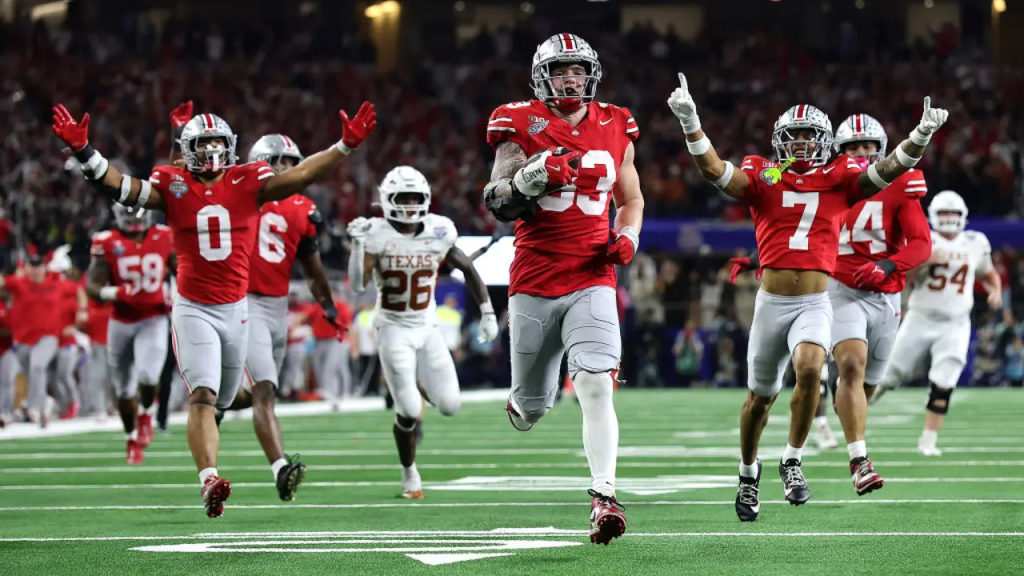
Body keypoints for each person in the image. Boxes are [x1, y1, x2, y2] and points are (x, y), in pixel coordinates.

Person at [51, 99, 376, 518]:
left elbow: (301, 175)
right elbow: (121, 186)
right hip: (194, 308)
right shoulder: (173, 184)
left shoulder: (248, 179)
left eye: (217, 144)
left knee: (226, 397)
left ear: (230, 146)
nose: (210, 152)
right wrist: (84, 152)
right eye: (202, 145)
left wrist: (345, 146)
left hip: (236, 310)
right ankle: (209, 480)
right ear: (187, 151)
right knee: (203, 394)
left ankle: (231, 428)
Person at [668, 73, 948, 521]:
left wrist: (920, 136)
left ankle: (792, 459)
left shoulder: (840, 177)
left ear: (823, 142)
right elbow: (716, 171)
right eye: (793, 136)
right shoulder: (764, 173)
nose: (800, 143)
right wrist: (691, 124)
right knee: (759, 400)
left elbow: (887, 170)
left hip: (817, 301)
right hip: (771, 302)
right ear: (780, 141)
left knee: (812, 368)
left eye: (808, 136)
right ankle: (748, 472)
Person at [482, 33, 643, 544]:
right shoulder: (518, 122)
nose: (571, 79)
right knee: (533, 407)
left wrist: (629, 235)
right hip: (534, 278)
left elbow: (631, 198)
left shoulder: (616, 122)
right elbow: (497, 199)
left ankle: (604, 496)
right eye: (560, 70)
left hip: (592, 274)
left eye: (578, 70)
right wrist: (530, 178)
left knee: (595, 382)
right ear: (542, 77)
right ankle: (522, 402)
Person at [348, 165, 498, 500]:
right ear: (388, 199)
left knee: (450, 405)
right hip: (392, 328)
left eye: (415, 197)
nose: (410, 204)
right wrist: (358, 248)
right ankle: (410, 474)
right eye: (403, 197)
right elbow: (358, 284)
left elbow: (466, 267)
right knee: (409, 410)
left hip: (427, 326)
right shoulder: (376, 232)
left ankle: (415, 386)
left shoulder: (438, 229)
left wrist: (487, 311)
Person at [872, 191, 1001, 456]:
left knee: (944, 381)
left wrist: (995, 291)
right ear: (933, 216)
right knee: (888, 375)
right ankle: (853, 411)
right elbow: (901, 278)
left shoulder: (975, 242)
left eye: (953, 213)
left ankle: (928, 441)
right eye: (944, 213)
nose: (949, 218)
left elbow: (988, 273)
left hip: (956, 322)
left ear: (962, 216)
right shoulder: (922, 241)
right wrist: (922, 260)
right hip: (920, 317)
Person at [85, 205, 174, 463]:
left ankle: (146, 412)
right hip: (121, 321)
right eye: (129, 214)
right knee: (123, 390)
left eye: (138, 213)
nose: (134, 219)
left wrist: (177, 296)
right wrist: (115, 293)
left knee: (148, 375)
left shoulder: (164, 236)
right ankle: (131, 438)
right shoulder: (107, 241)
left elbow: (182, 270)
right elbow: (92, 286)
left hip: (153, 318)